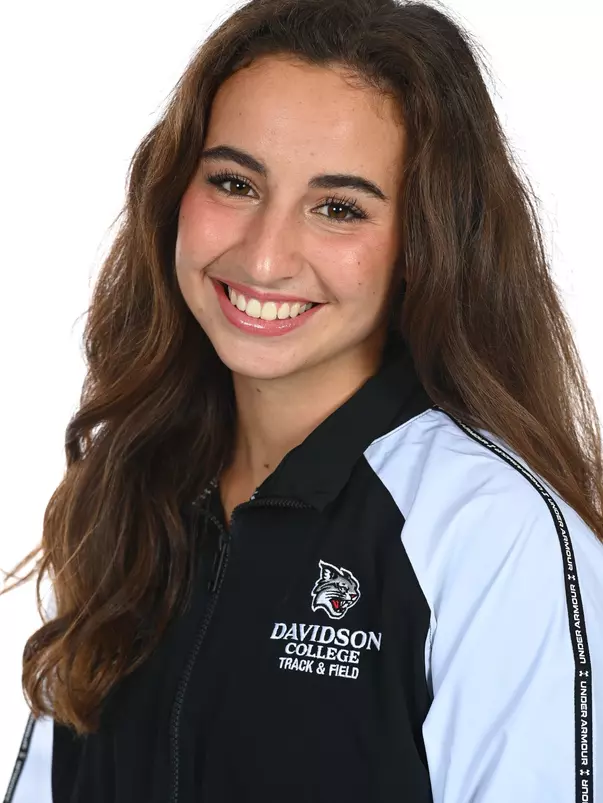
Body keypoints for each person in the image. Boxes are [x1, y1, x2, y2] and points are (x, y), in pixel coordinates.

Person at [3, 0, 603, 801]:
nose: (264, 254)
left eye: (338, 207)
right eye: (234, 182)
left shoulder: (491, 533)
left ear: (426, 243)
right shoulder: (129, 491)